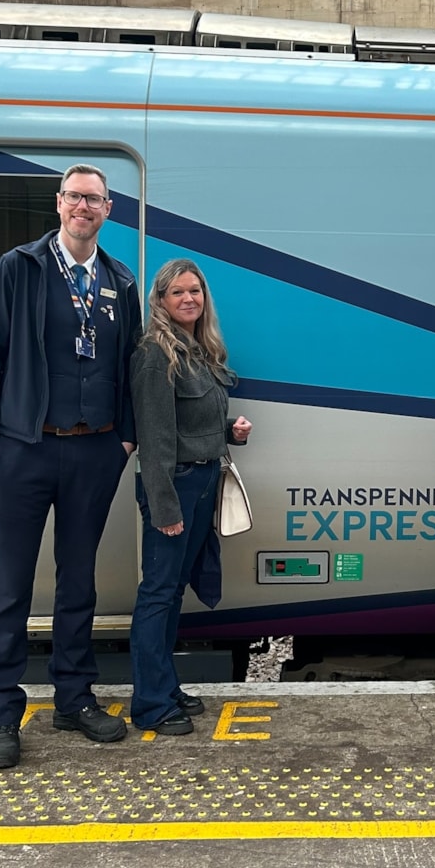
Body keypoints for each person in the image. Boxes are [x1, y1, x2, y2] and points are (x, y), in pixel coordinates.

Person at [0, 164, 142, 769]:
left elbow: (131, 368)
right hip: (23, 448)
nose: (82, 207)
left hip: (95, 450)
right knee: (8, 586)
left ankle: (74, 697)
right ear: (59, 203)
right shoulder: (19, 268)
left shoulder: (120, 280)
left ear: (108, 209)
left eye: (94, 199)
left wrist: (125, 439)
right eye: (74, 197)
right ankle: (0, 714)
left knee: (78, 583)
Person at [128, 259, 252, 733]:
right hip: (173, 486)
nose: (188, 299)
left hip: (200, 482)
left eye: (195, 291)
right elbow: (155, 438)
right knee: (158, 593)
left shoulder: (197, 350)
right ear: (160, 300)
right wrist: (163, 505)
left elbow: (191, 423)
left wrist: (230, 432)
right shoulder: (155, 354)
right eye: (177, 292)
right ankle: (151, 706)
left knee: (174, 590)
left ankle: (165, 686)